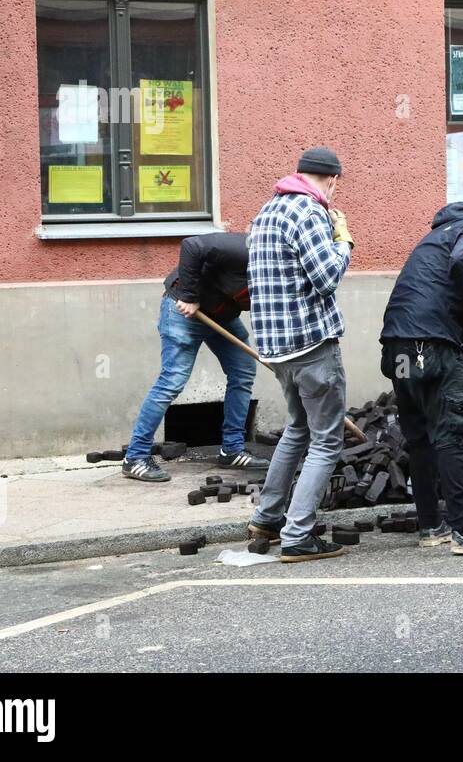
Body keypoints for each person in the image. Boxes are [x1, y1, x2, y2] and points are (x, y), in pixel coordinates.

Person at [380, 183, 463, 556]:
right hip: (431, 348)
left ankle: (431, 526)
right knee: (454, 431)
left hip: (399, 349)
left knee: (421, 437)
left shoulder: (440, 231)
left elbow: (440, 291)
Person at [245, 147, 357, 562]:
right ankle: (297, 536)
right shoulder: (309, 213)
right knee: (327, 441)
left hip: (277, 349)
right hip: (312, 346)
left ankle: (266, 519)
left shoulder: (266, 212)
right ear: (331, 180)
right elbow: (327, 277)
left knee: (297, 429)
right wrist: (343, 239)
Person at [123, 232, 266, 483]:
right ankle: (135, 457)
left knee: (243, 371)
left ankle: (232, 449)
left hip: (221, 316)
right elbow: (192, 245)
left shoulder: (280, 269)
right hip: (185, 311)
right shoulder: (244, 248)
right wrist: (189, 296)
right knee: (173, 381)